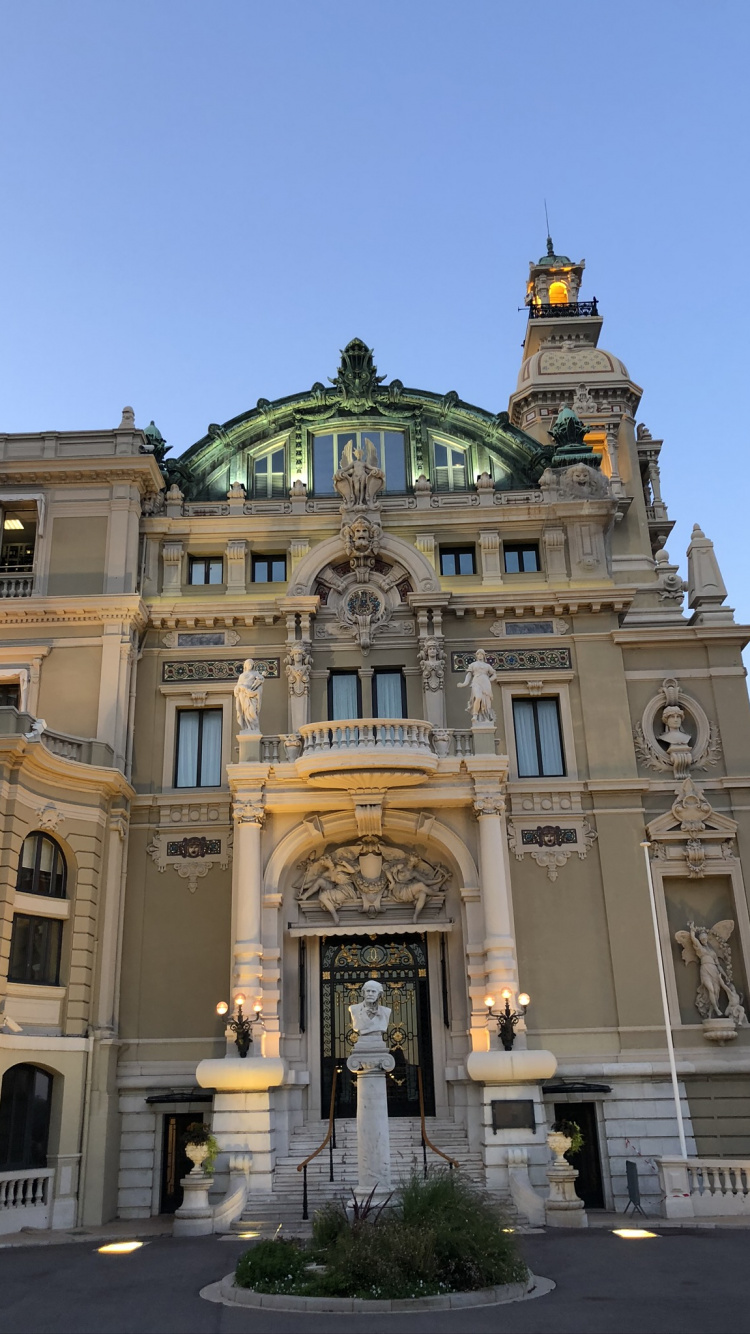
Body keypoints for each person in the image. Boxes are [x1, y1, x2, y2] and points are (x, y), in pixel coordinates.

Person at [457, 649, 498, 724]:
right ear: (476, 655)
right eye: (478, 654)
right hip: (476, 682)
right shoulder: (473, 664)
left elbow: (494, 674)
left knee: (486, 701)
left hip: (485, 683)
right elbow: (469, 675)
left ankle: (486, 716)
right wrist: (465, 683)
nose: (480, 655)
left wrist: (489, 679)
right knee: (478, 697)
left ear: (484, 655)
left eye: (481, 654)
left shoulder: (487, 666)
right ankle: (475, 715)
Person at [234, 658, 266, 733]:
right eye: (248, 664)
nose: (250, 665)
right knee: (245, 711)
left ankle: (254, 728)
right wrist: (242, 688)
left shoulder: (255, 673)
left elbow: (260, 680)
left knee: (252, 711)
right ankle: (247, 727)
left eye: (251, 664)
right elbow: (238, 686)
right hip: (243, 695)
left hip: (252, 694)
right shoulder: (242, 675)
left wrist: (260, 679)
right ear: (245, 665)